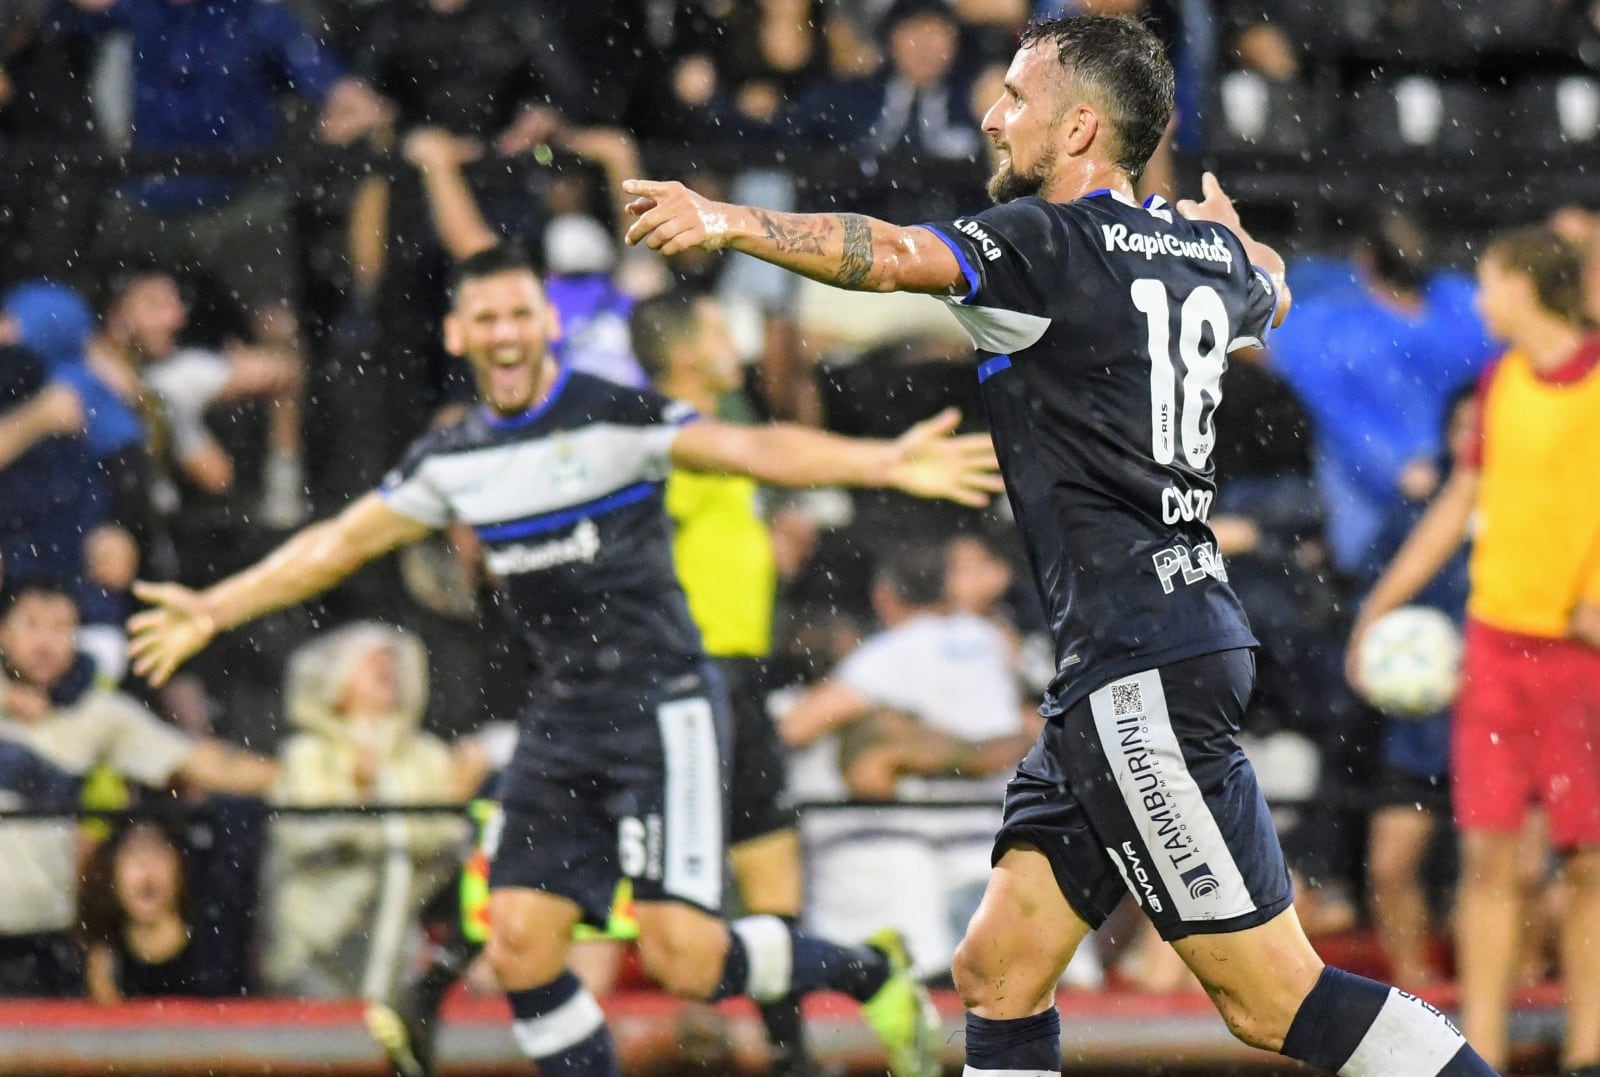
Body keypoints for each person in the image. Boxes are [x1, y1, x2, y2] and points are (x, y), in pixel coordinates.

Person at [622, 14, 1498, 1075]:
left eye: (1014, 100)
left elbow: (889, 254)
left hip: (1139, 666)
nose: (993, 118)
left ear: (1079, 125)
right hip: (1143, 650)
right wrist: (1230, 232)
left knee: (1273, 1000)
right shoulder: (1203, 253)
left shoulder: (1040, 244)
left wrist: (723, 220)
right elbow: (1264, 279)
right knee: (997, 968)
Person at [127, 243, 1003, 1076]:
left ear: (545, 322)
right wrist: (212, 606)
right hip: (563, 716)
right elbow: (334, 546)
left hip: (664, 704)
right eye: (486, 318)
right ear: (457, 334)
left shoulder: (612, 417)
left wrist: (884, 460)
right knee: (516, 943)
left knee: (688, 960)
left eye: (519, 313)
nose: (504, 333)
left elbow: (751, 448)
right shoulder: (456, 460)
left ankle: (871, 975)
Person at [1351, 225, 1600, 1075]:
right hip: (1496, 650)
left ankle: (1586, 1050)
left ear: (1527, 287)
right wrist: (1379, 606)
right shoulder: (1499, 381)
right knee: (1489, 855)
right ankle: (1481, 1053)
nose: (1479, 298)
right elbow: (1460, 499)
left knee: (1586, 861)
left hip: (1580, 659)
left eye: (1489, 282)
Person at [0, 578, 276, 996]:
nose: (46, 643)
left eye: (60, 628)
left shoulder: (97, 715)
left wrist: (311, 774)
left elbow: (203, 763)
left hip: (46, 939)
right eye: (32, 625)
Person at [78, 820, 205, 1002]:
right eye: (134, 856)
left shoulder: (215, 954)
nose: (147, 869)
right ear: (112, 874)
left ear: (179, 869)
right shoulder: (98, 961)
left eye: (158, 854)